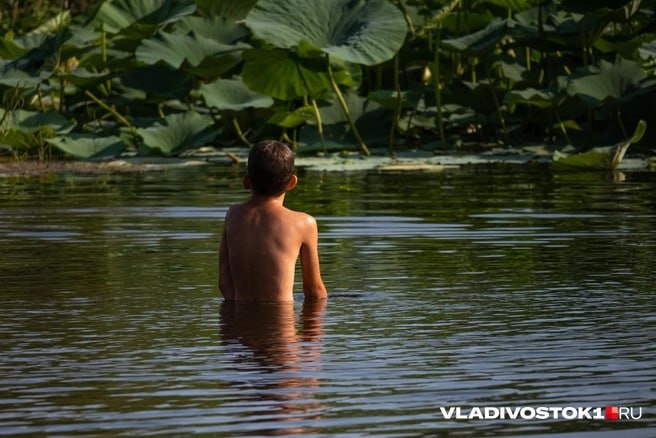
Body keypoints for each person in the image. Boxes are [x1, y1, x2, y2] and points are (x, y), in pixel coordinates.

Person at [219, 140, 327, 302]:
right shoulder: (304, 223)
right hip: (282, 317)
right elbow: (314, 290)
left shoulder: (233, 215)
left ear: (246, 181)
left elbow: (224, 283)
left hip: (237, 315)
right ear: (292, 182)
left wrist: (239, 313)